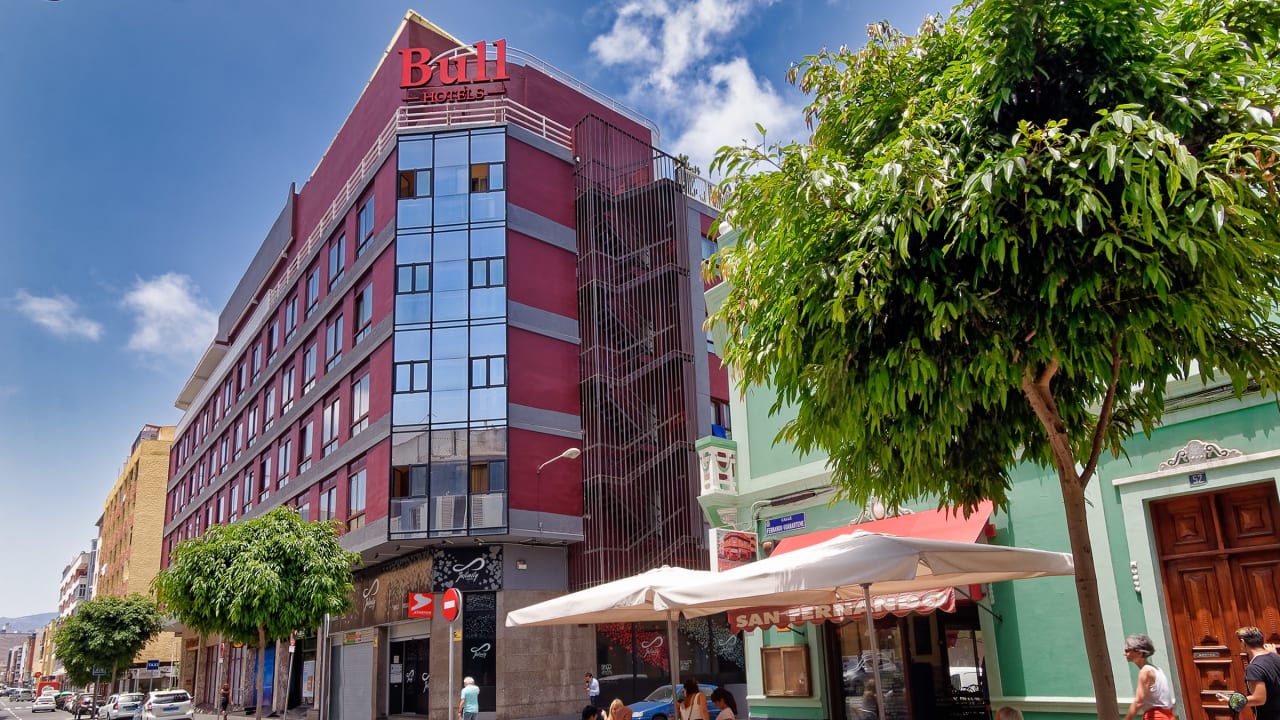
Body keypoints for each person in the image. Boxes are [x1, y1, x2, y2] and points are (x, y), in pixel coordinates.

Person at [1220, 626, 1280, 719]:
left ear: (1243, 642)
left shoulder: (1254, 667)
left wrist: (1232, 700)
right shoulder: (1276, 657)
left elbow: (1259, 699)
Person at [1121, 633, 1174, 720]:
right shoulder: (1157, 670)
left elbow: (1139, 702)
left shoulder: (1145, 672)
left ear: (1139, 653)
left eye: (1127, 651)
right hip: (1168, 715)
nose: (1124, 654)